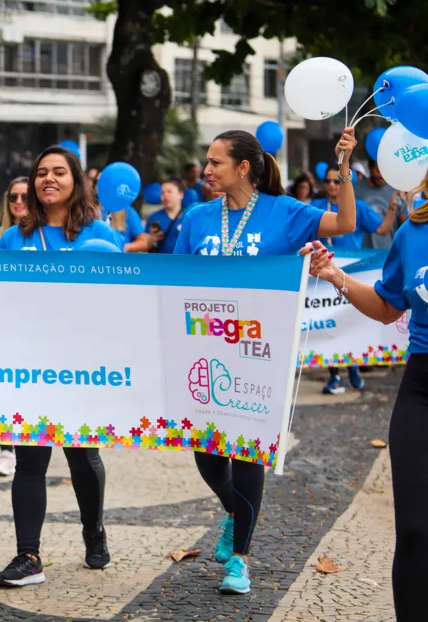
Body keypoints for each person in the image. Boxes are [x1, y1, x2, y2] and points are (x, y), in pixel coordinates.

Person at [174, 128, 357, 595]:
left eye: (216, 163)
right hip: (206, 352)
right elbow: (174, 281)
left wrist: (343, 167)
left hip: (261, 352)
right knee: (209, 456)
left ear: (243, 168)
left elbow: (345, 224)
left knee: (247, 451)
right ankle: (234, 514)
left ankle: (241, 560)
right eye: (207, 162)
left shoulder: (285, 212)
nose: (207, 170)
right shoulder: (196, 217)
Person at [0, 146, 117, 588]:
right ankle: (28, 555)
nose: (48, 179)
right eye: (41, 172)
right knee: (30, 460)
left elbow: (120, 301)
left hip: (83, 367)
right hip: (29, 364)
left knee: (83, 457)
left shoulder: (99, 234)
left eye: (59, 172)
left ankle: (93, 529)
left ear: (75, 180)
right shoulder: (14, 238)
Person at [302, 202, 428, 622]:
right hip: (421, 387)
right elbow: (388, 305)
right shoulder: (413, 231)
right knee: (414, 530)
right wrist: (335, 275)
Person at [313, 164, 399, 394]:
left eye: (336, 181)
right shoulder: (317, 207)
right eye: (328, 181)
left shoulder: (357, 208)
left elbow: (381, 230)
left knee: (347, 324)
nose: (332, 185)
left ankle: (352, 366)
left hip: (352, 275)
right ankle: (334, 376)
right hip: (324, 276)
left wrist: (391, 209)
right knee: (326, 324)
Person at [0, 176, 29, 476]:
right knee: (0, 390)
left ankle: (27, 445)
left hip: (29, 323)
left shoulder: (40, 235)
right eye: (14, 197)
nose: (19, 202)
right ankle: (6, 450)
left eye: (25, 197)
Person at [357, 158, 406, 250]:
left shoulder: (396, 190)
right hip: (362, 252)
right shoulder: (355, 190)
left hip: (388, 250)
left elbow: (404, 221)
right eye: (379, 171)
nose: (383, 175)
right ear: (370, 169)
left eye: (386, 171)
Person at [146, 179, 185, 254]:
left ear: (180, 194)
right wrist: (151, 239)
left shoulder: (190, 217)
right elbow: (145, 246)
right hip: (160, 263)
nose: (165, 195)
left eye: (169, 192)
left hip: (183, 262)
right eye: (162, 193)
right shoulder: (154, 217)